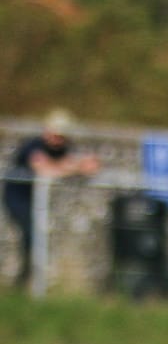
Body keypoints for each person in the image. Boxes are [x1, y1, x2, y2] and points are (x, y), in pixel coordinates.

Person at [5, 109, 99, 289]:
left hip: (36, 202)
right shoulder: (33, 145)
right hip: (18, 199)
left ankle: (27, 282)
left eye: (61, 136)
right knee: (31, 236)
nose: (57, 139)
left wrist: (79, 165)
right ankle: (24, 281)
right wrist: (76, 167)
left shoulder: (63, 148)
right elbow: (45, 170)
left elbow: (81, 165)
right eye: (55, 134)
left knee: (35, 237)